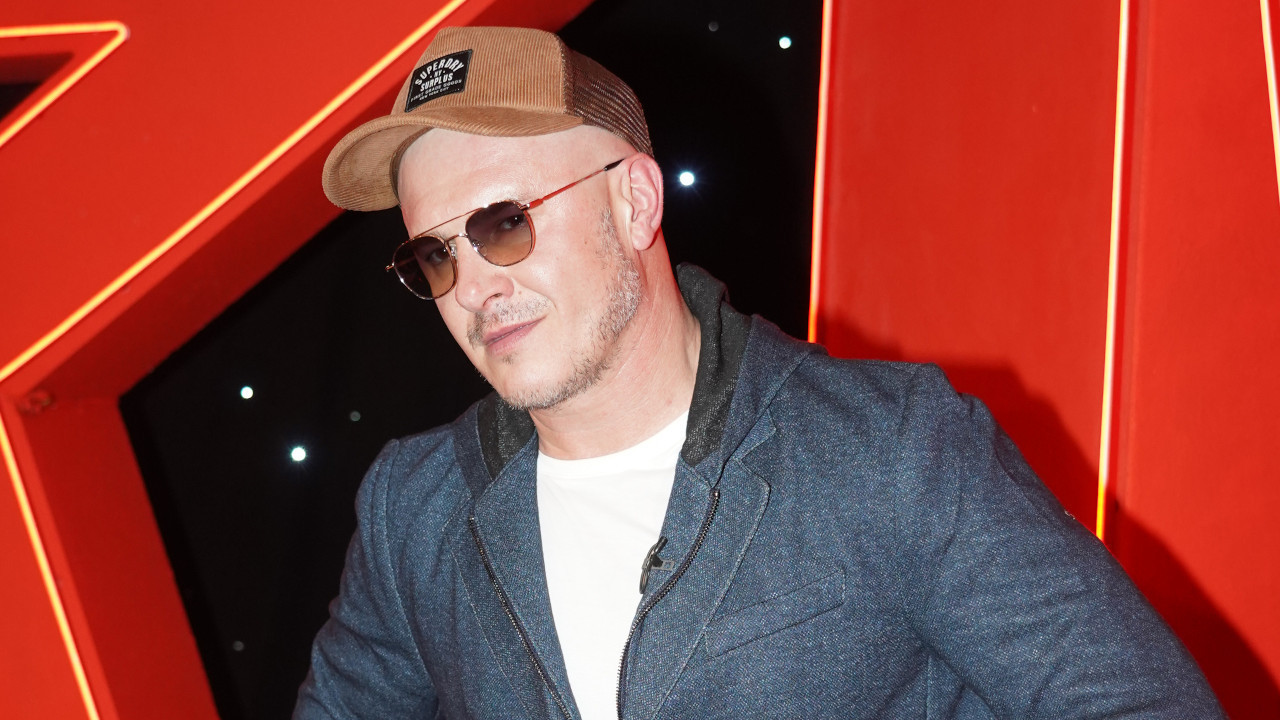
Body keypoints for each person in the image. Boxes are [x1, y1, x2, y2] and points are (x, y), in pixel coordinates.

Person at [295, 26, 1222, 720]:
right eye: (435, 255)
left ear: (634, 200)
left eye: (504, 223)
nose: (474, 287)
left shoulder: (891, 452)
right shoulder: (414, 510)